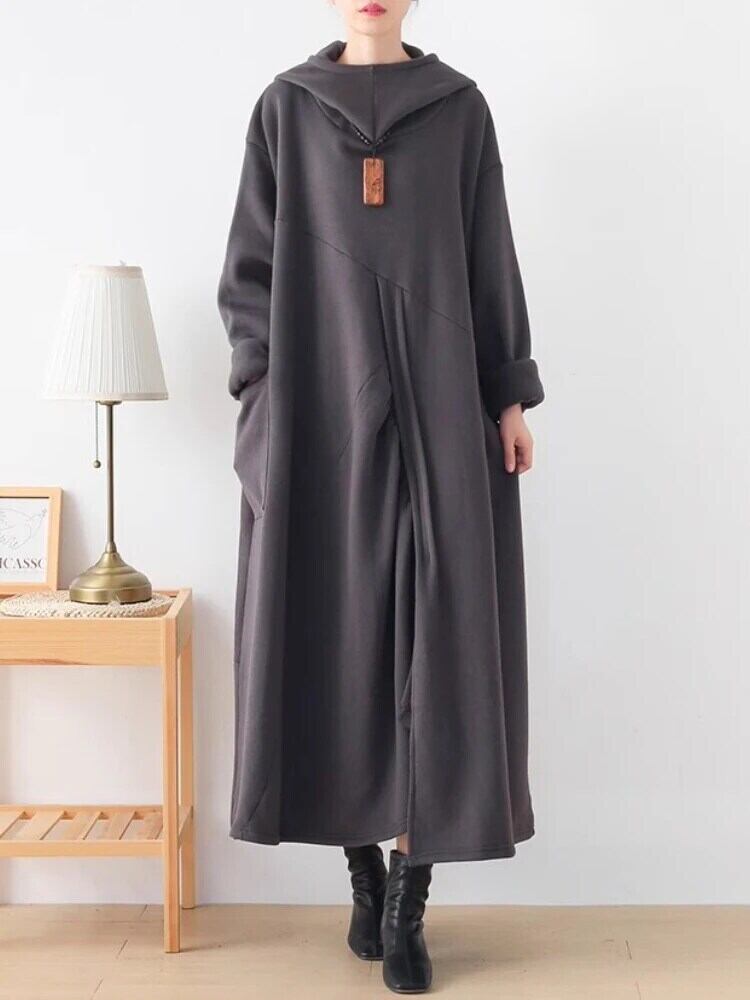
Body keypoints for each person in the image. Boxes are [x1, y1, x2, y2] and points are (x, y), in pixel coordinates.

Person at [218, 0, 544, 993]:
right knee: (332, 638)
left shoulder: (459, 110)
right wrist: (261, 399)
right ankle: (361, 873)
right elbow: (248, 275)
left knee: (439, 651)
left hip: (443, 404)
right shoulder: (286, 109)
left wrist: (508, 395)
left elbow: (488, 257)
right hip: (315, 411)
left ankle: (408, 902)